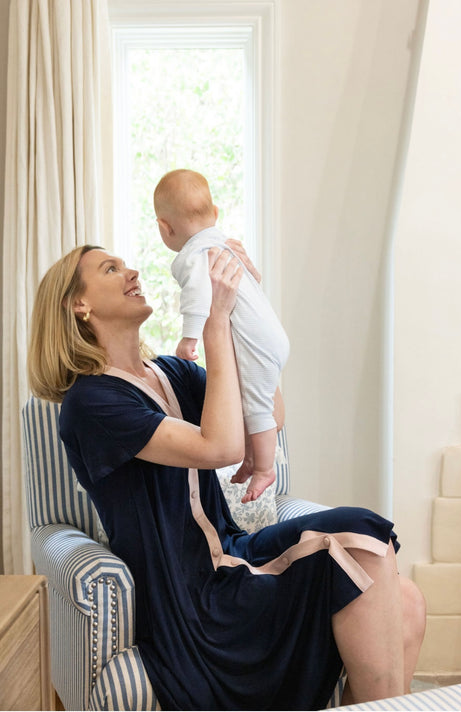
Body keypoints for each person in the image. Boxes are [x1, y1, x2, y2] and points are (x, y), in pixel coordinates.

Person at [27, 243, 426, 711]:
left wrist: (246, 310)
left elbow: (270, 414)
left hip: (230, 551)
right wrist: (214, 322)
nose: (130, 271)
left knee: (405, 600)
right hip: (190, 591)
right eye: (110, 269)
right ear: (80, 305)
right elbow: (221, 448)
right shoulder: (90, 403)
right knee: (363, 537)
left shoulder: (172, 372)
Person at [154, 168, 290, 503]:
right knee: (245, 401)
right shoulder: (225, 246)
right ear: (215, 214)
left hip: (257, 339)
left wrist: (189, 338)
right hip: (271, 333)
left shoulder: (192, 256)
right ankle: (250, 458)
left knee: (257, 406)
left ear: (164, 228)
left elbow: (198, 296)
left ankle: (264, 469)